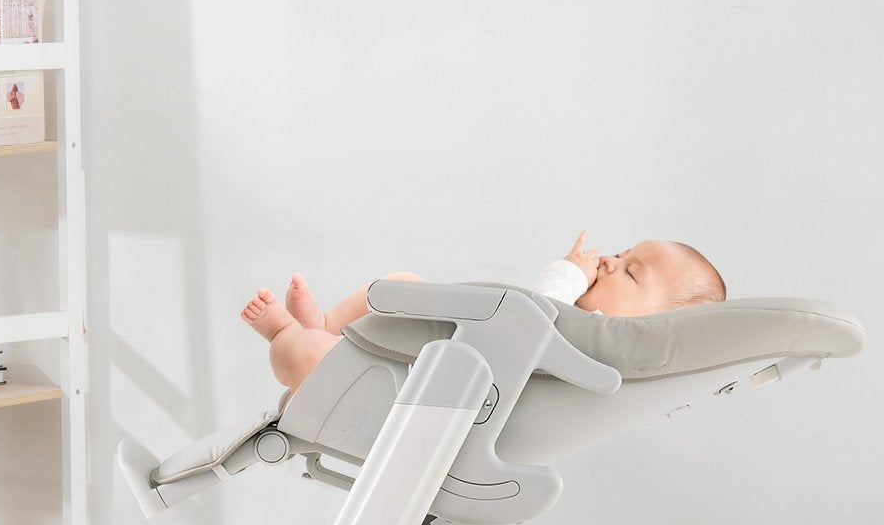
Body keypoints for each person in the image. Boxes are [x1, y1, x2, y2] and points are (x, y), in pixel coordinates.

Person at [242, 232, 727, 392]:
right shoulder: (582, 330)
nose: (608, 261)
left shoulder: (595, 346)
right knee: (402, 286)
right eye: (621, 253)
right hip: (425, 361)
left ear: (647, 326)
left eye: (631, 273)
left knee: (306, 355)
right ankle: (325, 328)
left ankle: (290, 334)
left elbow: (533, 319)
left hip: (413, 393)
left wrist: (566, 273)